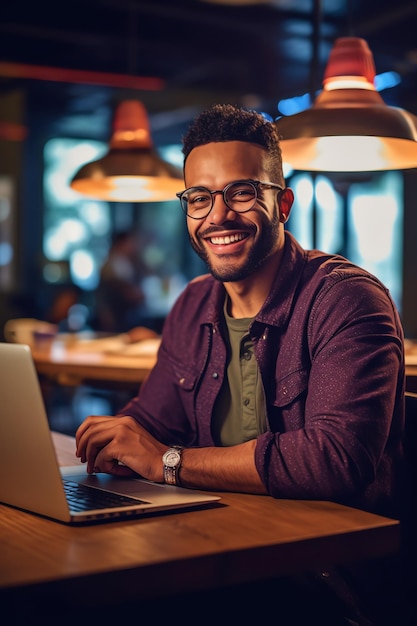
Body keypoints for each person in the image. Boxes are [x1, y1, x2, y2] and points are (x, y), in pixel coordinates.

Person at [76, 105, 406, 624]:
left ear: (284, 204)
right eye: (199, 197)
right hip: (221, 546)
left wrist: (168, 463)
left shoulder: (348, 299)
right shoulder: (192, 303)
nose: (218, 216)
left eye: (242, 192)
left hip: (328, 578)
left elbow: (335, 460)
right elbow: (153, 422)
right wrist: (114, 441)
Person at [95, 230, 148, 333]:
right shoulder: (109, 265)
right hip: (114, 312)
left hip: (127, 312)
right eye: (129, 242)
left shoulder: (129, 262)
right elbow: (106, 292)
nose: (132, 246)